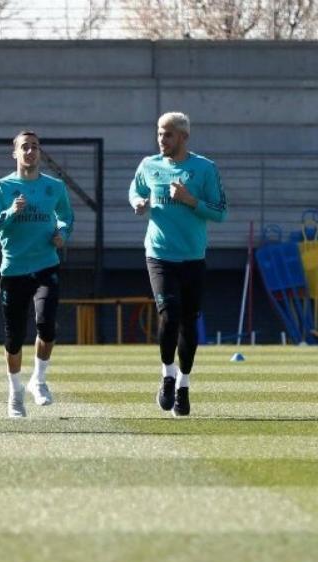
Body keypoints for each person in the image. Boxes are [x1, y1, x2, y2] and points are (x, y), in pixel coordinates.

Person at [129, 112, 226, 417]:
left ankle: (183, 384)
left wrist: (190, 200)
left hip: (193, 257)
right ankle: (167, 375)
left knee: (188, 321)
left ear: (183, 137)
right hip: (158, 254)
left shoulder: (205, 168)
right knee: (168, 316)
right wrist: (138, 203)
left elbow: (220, 212)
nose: (162, 139)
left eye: (168, 134)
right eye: (159, 133)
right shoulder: (149, 165)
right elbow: (136, 190)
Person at [0, 131, 74, 418]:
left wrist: (63, 233)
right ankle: (15, 394)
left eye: (34, 147)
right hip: (14, 269)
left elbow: (66, 217)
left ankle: (39, 380)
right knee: (14, 337)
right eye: (24, 147)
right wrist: (9, 212)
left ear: (39, 153)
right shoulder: (1, 188)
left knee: (47, 325)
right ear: (15, 154)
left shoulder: (54, 187)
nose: (30, 151)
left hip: (46, 264)